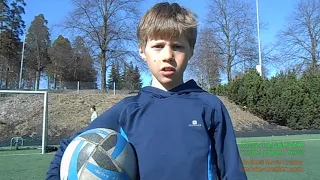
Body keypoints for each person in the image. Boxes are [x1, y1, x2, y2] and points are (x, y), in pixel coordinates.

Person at [46, 2, 247, 180]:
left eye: (177, 46)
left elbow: (233, 172)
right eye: (158, 46)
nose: (168, 55)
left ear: (191, 51)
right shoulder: (128, 110)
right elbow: (69, 147)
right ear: (142, 50)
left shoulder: (210, 106)